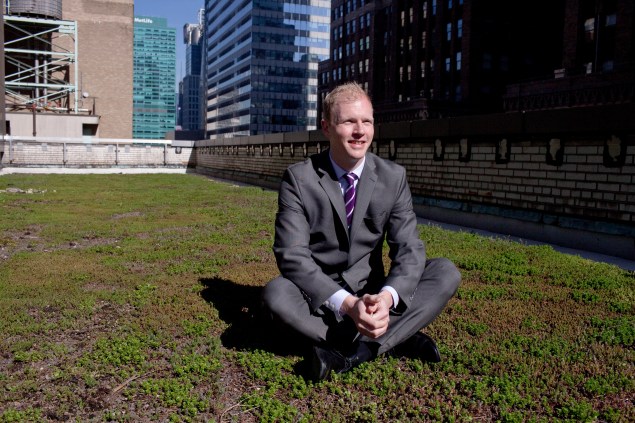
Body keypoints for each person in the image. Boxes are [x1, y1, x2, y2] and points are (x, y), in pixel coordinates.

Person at [262, 82, 461, 382]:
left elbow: (409, 249)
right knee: (276, 295)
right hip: (321, 299)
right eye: (349, 122)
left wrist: (385, 299)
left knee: (445, 272)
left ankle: (351, 353)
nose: (360, 131)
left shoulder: (393, 177)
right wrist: (348, 305)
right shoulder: (299, 179)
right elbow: (292, 255)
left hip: (374, 292)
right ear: (327, 128)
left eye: (366, 121)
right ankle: (395, 337)